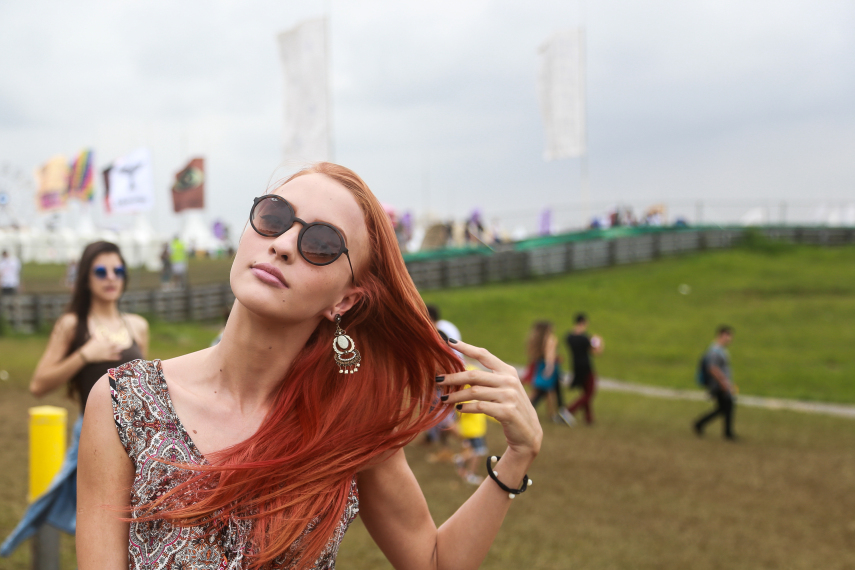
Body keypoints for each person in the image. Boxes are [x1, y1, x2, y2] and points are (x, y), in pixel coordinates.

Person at [76, 162, 542, 570]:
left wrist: (517, 456)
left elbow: (434, 562)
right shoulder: (125, 401)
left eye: (321, 243)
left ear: (345, 299)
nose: (282, 244)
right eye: (273, 217)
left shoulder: (350, 424)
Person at [0, 241, 148, 558]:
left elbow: (144, 387)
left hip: (137, 439)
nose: (111, 277)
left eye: (118, 270)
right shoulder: (72, 325)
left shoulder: (137, 326)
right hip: (94, 436)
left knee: (138, 522)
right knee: (100, 522)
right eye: (101, 271)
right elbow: (39, 384)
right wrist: (85, 355)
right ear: (85, 277)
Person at [423, 305, 461, 455]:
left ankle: (471, 444)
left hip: (445, 380)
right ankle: (445, 447)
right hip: (449, 378)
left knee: (443, 418)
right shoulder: (445, 328)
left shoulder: (438, 333)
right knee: (439, 416)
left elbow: (443, 358)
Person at [525, 321, 574, 426]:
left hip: (541, 366)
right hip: (550, 368)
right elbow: (550, 355)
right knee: (542, 391)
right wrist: (550, 368)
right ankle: (527, 411)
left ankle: (557, 413)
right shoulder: (551, 339)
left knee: (550, 390)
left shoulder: (540, 339)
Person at [694, 325, 738, 440]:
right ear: (720, 335)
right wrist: (724, 383)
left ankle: (700, 424)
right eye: (726, 336)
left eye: (730, 336)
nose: (728, 339)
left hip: (722, 384)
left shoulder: (721, 350)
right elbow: (712, 368)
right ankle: (727, 433)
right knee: (726, 407)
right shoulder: (715, 351)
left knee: (724, 408)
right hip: (718, 385)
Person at [564, 313, 604, 425]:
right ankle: (568, 411)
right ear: (583, 322)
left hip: (576, 367)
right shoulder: (585, 338)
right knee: (589, 393)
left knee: (585, 391)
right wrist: (599, 342)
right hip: (586, 367)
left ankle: (589, 418)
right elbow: (596, 351)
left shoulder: (569, 337)